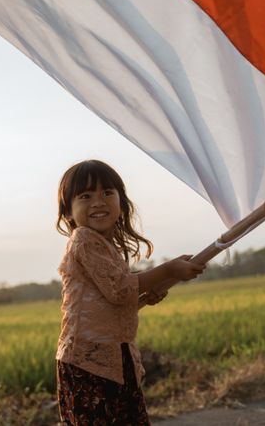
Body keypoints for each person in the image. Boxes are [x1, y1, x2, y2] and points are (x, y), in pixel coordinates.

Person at [55, 159, 205, 425]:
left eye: (107, 193)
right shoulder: (84, 240)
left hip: (116, 357)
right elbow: (120, 290)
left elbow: (109, 306)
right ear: (68, 211)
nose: (99, 202)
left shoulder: (105, 245)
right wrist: (169, 270)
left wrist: (143, 299)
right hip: (88, 363)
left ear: (121, 203)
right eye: (86, 196)